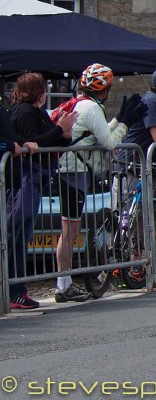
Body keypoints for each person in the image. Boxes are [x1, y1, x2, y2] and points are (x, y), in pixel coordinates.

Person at [56, 63, 145, 302]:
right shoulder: (92, 108)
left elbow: (98, 133)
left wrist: (117, 119)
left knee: (70, 228)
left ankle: (63, 283)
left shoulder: (83, 104)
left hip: (71, 168)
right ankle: (63, 285)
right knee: (70, 229)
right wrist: (125, 123)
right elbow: (109, 143)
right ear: (104, 89)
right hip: (73, 170)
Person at [8, 73, 65, 309]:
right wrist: (60, 128)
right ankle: (15, 290)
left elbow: (51, 140)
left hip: (33, 179)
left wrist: (64, 130)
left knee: (22, 236)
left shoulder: (37, 112)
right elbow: (34, 142)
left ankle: (18, 289)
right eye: (43, 89)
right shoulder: (24, 112)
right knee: (15, 234)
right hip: (22, 179)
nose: (46, 93)